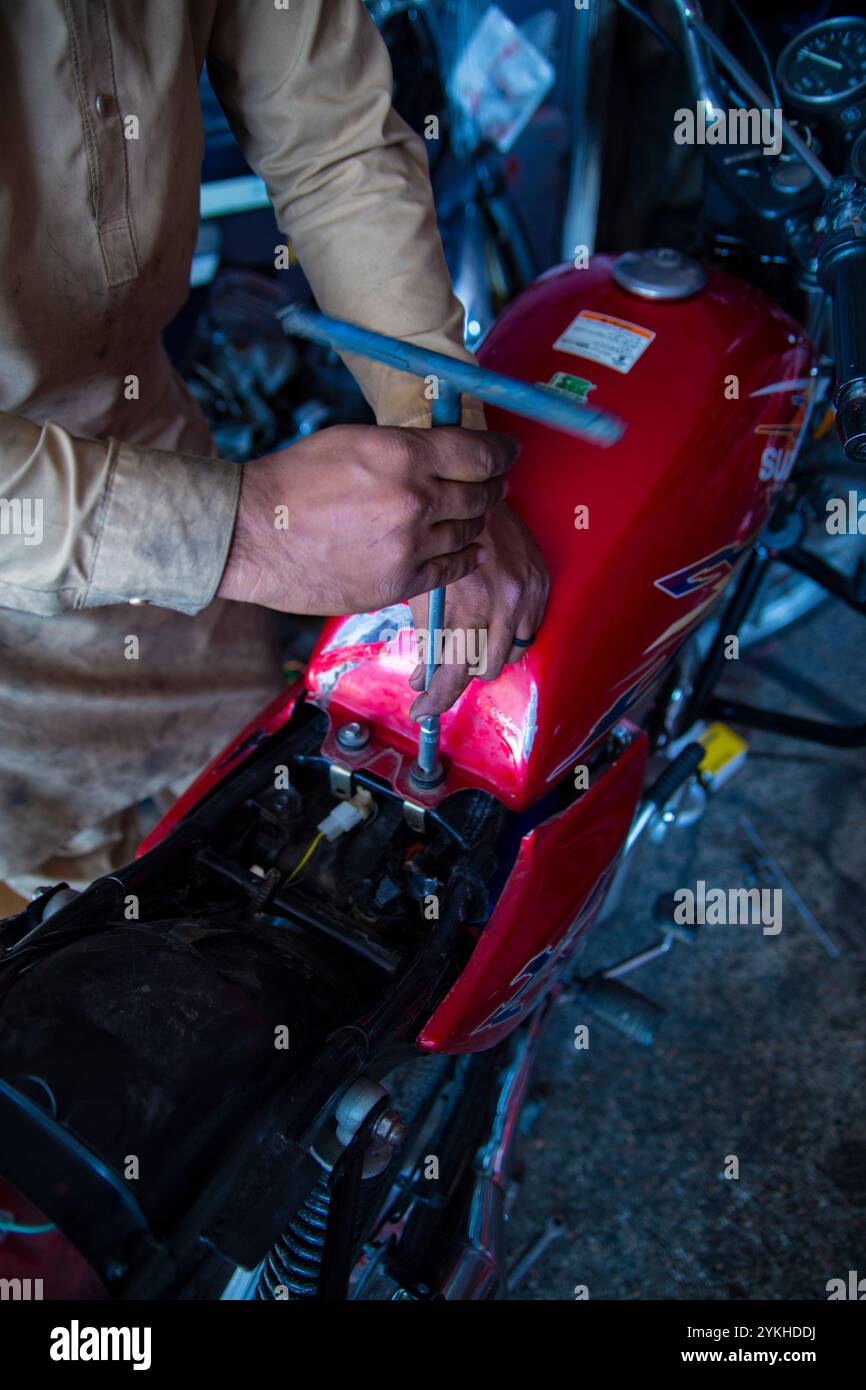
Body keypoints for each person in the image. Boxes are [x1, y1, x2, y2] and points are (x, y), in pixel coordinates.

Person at [0, 0, 548, 901]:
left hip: (153, 456)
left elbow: (333, 145)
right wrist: (249, 532)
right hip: (97, 547)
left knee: (243, 842)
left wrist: (437, 457)